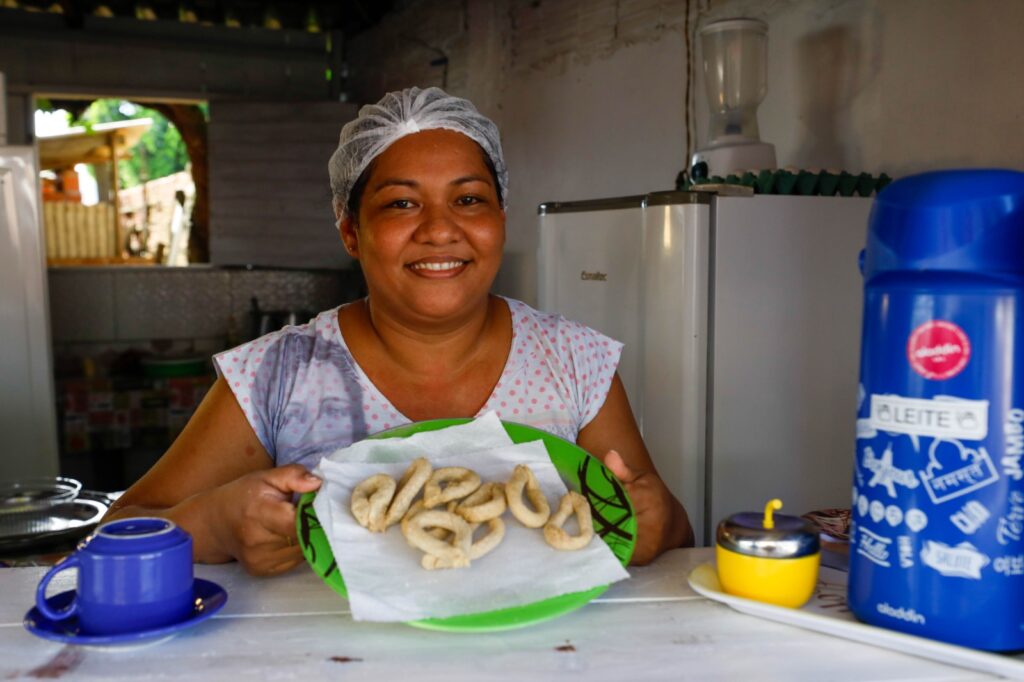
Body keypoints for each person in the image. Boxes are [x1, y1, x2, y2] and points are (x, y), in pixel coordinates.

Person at [105, 87, 693, 574]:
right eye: (401, 205)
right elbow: (118, 532)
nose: (441, 230)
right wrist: (213, 524)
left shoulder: (573, 361)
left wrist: (653, 522)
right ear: (350, 231)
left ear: (500, 219)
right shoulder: (277, 375)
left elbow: (671, 529)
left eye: (468, 199)